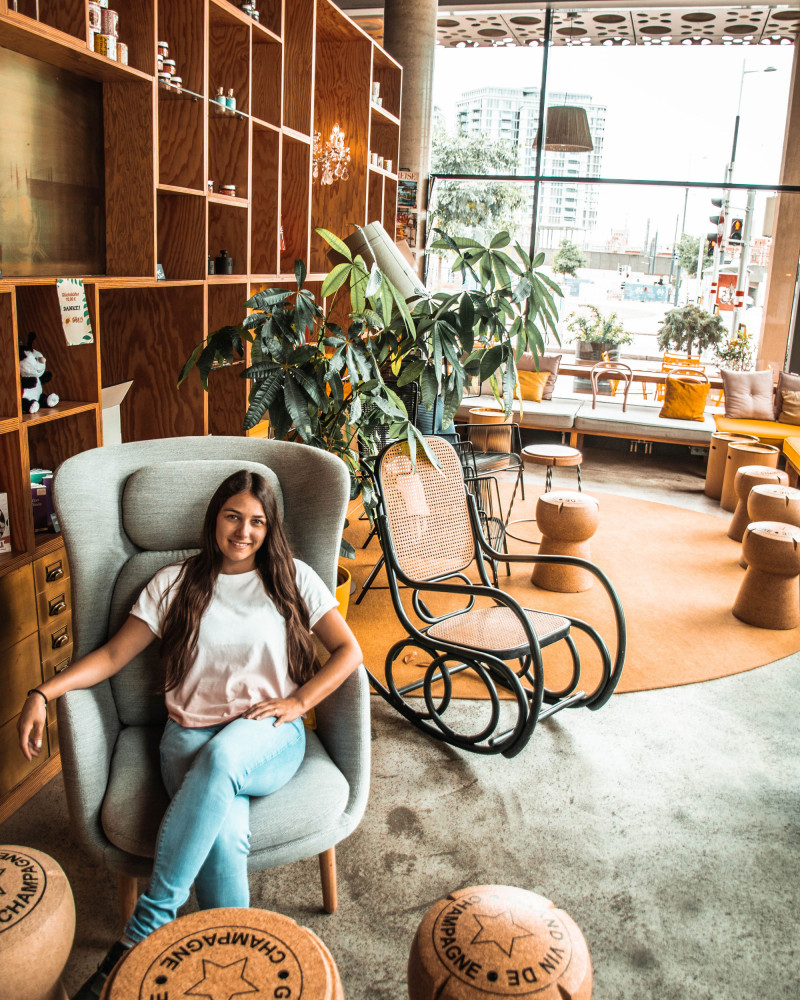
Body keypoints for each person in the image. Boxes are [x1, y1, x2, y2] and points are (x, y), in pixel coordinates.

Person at [17, 469, 362, 1000]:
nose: (243, 531)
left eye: (257, 521)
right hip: (184, 737)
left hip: (267, 733)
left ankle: (144, 930)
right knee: (224, 839)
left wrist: (298, 702)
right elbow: (112, 656)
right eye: (232, 516)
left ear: (271, 529)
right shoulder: (173, 582)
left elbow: (348, 652)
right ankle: (234, 973)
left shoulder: (293, 577)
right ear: (214, 518)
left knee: (225, 758)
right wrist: (44, 692)